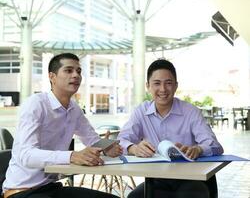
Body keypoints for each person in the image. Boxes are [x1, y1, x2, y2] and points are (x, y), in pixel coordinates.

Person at [2, 53, 122, 198]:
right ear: (52, 77)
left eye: (78, 71)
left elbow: (91, 139)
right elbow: (26, 155)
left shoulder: (74, 108)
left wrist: (106, 147)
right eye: (68, 70)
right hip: (21, 191)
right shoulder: (36, 104)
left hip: (51, 188)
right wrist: (72, 156)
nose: (76, 75)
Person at [117, 59, 224, 198]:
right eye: (156, 83)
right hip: (156, 180)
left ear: (175, 86)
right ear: (148, 86)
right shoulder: (141, 111)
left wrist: (198, 149)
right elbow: (121, 141)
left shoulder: (191, 112)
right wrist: (133, 148)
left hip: (192, 179)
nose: (162, 89)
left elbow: (216, 146)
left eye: (168, 83)